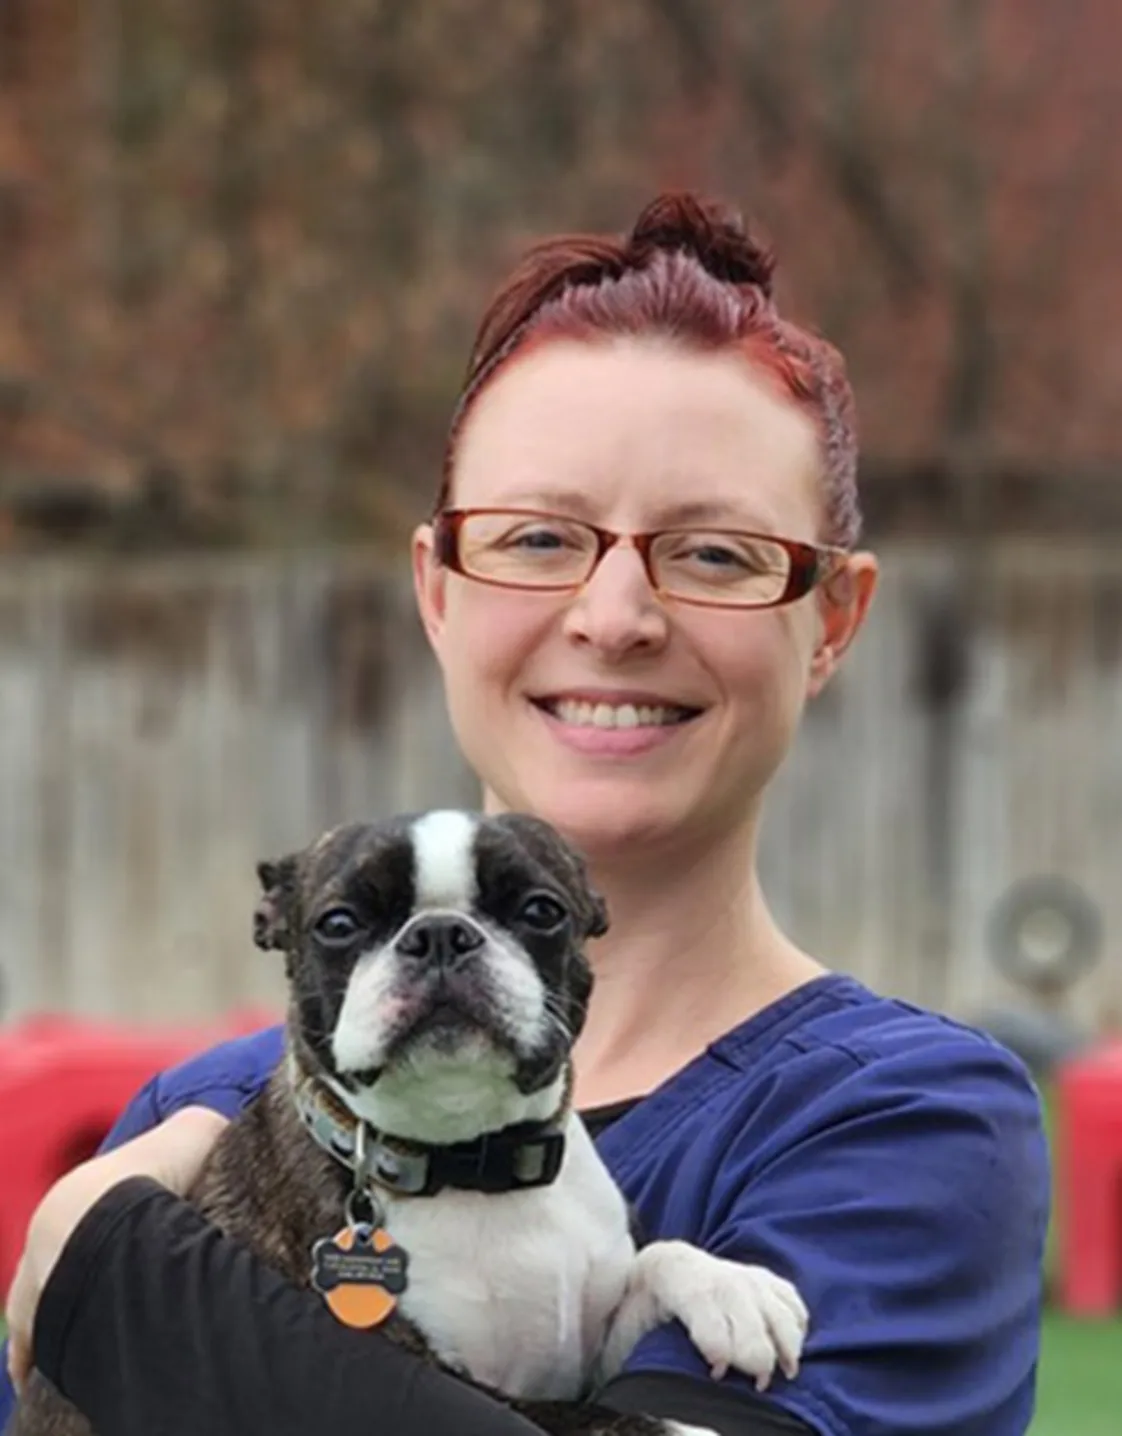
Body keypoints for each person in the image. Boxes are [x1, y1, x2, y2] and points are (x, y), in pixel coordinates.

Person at [2, 193, 1049, 1436]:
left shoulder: (903, 1120)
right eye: (539, 537)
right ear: (436, 590)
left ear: (830, 620)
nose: (614, 616)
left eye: (713, 552)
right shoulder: (213, 1106)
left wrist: (116, 1264)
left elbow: (112, 1297)